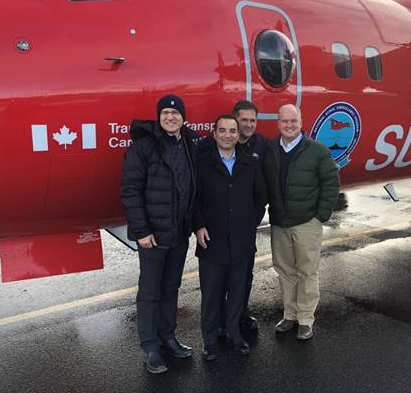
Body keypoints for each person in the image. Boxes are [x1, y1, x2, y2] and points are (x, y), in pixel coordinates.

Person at [121, 95, 199, 374]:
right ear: (159, 116)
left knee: (171, 288)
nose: (170, 117)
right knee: (150, 292)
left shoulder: (189, 144)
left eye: (175, 113)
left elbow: (194, 188)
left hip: (179, 233)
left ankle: (168, 337)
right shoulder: (143, 147)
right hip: (152, 236)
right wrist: (141, 231)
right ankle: (151, 347)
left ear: (183, 118)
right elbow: (130, 190)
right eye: (165, 113)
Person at [193, 115, 267, 361]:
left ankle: (235, 335)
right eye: (222, 130)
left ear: (238, 135)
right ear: (214, 134)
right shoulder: (202, 163)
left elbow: (260, 198)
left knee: (237, 293)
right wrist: (199, 226)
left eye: (232, 131)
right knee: (211, 295)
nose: (227, 135)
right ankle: (210, 341)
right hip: (212, 242)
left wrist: (250, 223)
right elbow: (195, 200)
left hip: (242, 242)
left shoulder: (250, 163)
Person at [263, 104, 340, 341]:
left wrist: (320, 216)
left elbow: (331, 183)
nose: (289, 125)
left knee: (307, 271)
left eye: (293, 121)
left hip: (307, 221)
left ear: (301, 122)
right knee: (285, 270)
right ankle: (290, 315)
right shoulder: (270, 149)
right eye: (284, 121)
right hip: (279, 222)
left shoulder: (318, 150)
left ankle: (306, 319)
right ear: (278, 123)